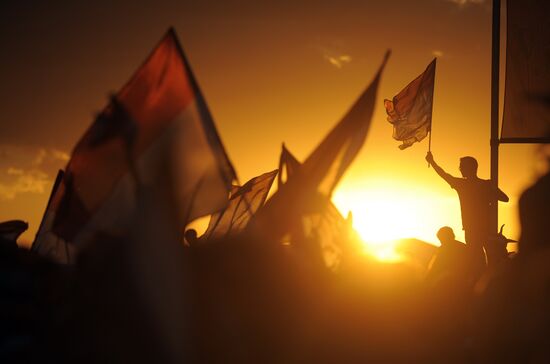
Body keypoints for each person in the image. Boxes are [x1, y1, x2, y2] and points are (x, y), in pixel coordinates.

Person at [425, 152, 509, 269]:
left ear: (470, 168)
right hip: (486, 228)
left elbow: (444, 175)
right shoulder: (485, 184)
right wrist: (492, 190)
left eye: (462, 166)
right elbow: (505, 198)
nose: (460, 169)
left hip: (474, 229)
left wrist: (432, 162)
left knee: (477, 259)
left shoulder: (463, 184)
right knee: (489, 259)